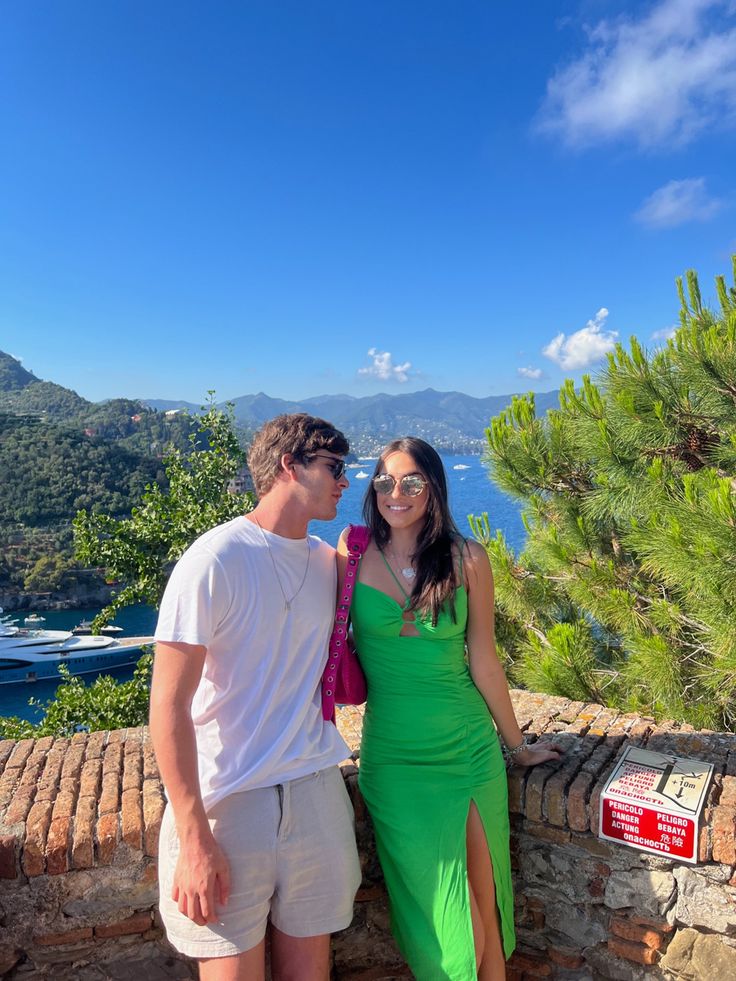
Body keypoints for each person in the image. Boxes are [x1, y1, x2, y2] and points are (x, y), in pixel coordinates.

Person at [150, 413, 362, 981]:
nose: (346, 481)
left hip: (314, 791)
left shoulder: (328, 561)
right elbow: (167, 706)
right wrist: (193, 836)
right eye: (334, 467)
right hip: (229, 804)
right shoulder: (214, 560)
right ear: (289, 466)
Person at [340, 437, 561, 981]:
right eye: (386, 481)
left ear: (434, 488)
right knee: (433, 914)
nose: (398, 492)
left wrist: (518, 747)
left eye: (412, 481)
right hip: (392, 760)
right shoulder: (349, 553)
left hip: (466, 751)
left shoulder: (468, 559)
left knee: (479, 903)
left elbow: (484, 660)